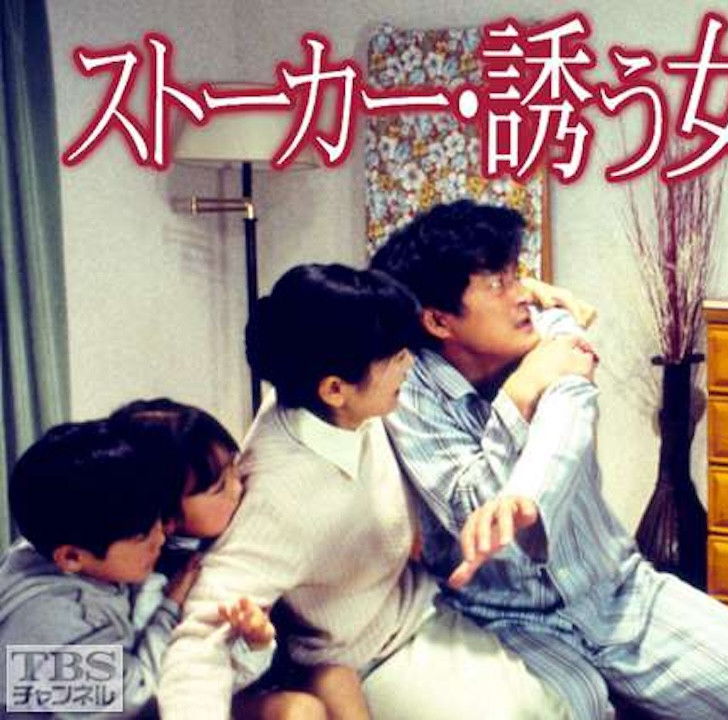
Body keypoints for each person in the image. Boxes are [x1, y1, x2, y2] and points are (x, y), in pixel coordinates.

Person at [371, 200, 728, 720]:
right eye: (498, 283)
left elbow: (567, 417)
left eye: (516, 273)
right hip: (507, 621)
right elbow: (469, 509)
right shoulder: (411, 388)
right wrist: (521, 391)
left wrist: (524, 494)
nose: (523, 293)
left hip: (619, 594)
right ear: (438, 320)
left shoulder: (551, 330)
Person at [156, 263, 567, 719]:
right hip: (361, 656)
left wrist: (530, 294)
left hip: (419, 607)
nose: (410, 364)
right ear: (335, 389)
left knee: (548, 706)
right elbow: (200, 640)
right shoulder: (278, 494)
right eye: (396, 357)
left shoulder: (336, 394)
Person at [109, 398, 369, 719]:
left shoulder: (236, 521)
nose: (238, 486)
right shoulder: (166, 579)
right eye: (220, 487)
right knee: (299, 711)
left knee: (337, 675)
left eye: (235, 466)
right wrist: (253, 643)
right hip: (209, 690)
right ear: (170, 517)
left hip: (268, 662)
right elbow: (178, 676)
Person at [0, 420, 271, 719]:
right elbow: (139, 696)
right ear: (71, 556)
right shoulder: (61, 620)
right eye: (142, 535)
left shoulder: (46, 543)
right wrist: (170, 607)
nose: (160, 537)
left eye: (157, 520)